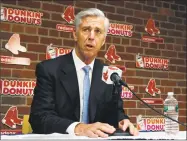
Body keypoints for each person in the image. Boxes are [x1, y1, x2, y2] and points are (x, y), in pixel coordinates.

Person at [29, 8, 139, 138]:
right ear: (75, 34)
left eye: (98, 31)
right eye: (86, 29)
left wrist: (122, 121)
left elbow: (116, 112)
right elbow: (39, 117)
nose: (91, 37)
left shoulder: (110, 74)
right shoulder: (49, 69)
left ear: (103, 40)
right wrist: (78, 128)